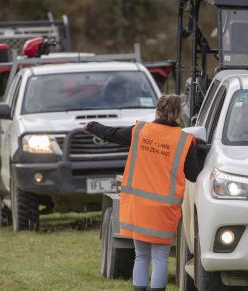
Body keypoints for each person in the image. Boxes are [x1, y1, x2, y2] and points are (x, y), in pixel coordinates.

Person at [84, 95, 200, 291]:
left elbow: (111, 133)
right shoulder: (185, 141)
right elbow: (194, 174)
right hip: (164, 208)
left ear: (157, 111)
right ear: (179, 114)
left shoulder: (140, 131)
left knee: (141, 255)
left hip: (139, 205)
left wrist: (92, 125)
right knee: (160, 257)